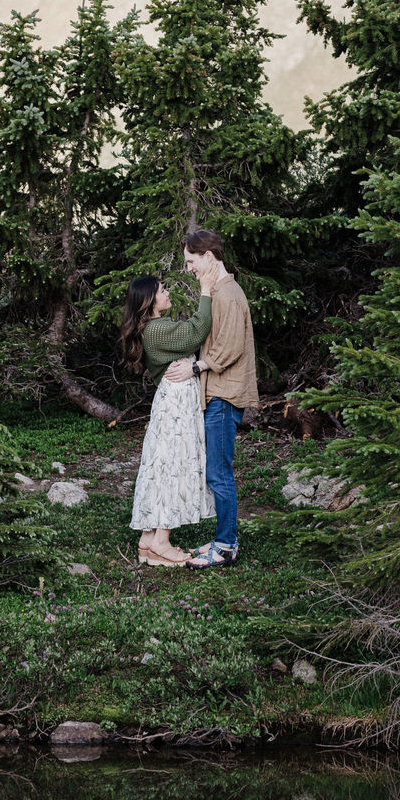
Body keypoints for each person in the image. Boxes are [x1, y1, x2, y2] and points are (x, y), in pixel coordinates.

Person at [119, 272, 215, 567]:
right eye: (163, 290)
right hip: (176, 405)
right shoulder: (157, 329)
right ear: (150, 300)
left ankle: (149, 539)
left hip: (172, 401)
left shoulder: (153, 327)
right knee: (176, 466)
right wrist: (206, 291)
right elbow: (196, 332)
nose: (167, 292)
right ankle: (161, 541)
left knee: (164, 467)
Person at [182, 226, 256, 568]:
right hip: (218, 396)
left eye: (191, 261)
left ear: (208, 257)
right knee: (217, 471)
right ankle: (223, 538)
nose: (189, 268)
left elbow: (231, 347)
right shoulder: (221, 290)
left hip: (224, 398)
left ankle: (226, 546)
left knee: (219, 473)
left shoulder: (228, 293)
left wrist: (196, 368)